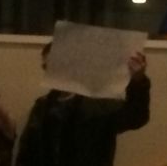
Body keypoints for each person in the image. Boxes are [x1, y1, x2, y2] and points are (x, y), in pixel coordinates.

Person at [16, 43, 150, 166]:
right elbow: (27, 151)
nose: (51, 71)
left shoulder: (99, 104)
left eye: (56, 64)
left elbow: (136, 117)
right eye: (46, 67)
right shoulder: (42, 105)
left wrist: (138, 82)